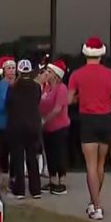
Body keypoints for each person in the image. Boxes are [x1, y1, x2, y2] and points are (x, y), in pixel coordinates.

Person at [68, 37, 111, 220]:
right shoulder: (110, 74)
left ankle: (96, 207)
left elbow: (68, 100)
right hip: (105, 119)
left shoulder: (77, 74)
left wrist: (82, 97)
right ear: (101, 54)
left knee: (90, 165)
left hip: (88, 120)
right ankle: (93, 202)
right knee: (100, 164)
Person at [6, 59, 43, 199]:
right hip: (33, 126)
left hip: (17, 126)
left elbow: (8, 105)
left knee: (18, 157)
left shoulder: (13, 87)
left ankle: (19, 190)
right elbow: (37, 102)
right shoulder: (36, 87)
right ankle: (36, 190)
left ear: (19, 71)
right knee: (32, 157)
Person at [39, 60, 71, 195]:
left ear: (56, 75)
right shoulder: (46, 88)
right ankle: (52, 180)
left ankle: (62, 181)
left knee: (59, 153)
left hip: (60, 126)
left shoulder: (62, 88)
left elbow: (58, 108)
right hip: (47, 127)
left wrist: (45, 119)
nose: (46, 73)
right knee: (50, 153)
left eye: (49, 71)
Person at [0, 56, 16, 173]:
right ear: (4, 70)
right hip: (1, 125)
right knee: (1, 153)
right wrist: (7, 105)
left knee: (15, 154)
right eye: (9, 68)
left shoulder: (19, 84)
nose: (11, 70)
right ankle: (2, 174)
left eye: (13, 68)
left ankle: (14, 177)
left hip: (16, 125)